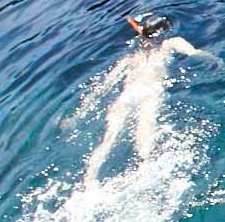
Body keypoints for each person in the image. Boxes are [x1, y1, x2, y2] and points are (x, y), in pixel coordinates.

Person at [86, 13, 208, 184]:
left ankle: (88, 181)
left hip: (127, 95)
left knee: (108, 140)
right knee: (145, 137)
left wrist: (76, 115)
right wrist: (216, 60)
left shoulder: (131, 57)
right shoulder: (171, 43)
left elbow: (103, 86)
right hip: (150, 93)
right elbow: (194, 53)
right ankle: (144, 172)